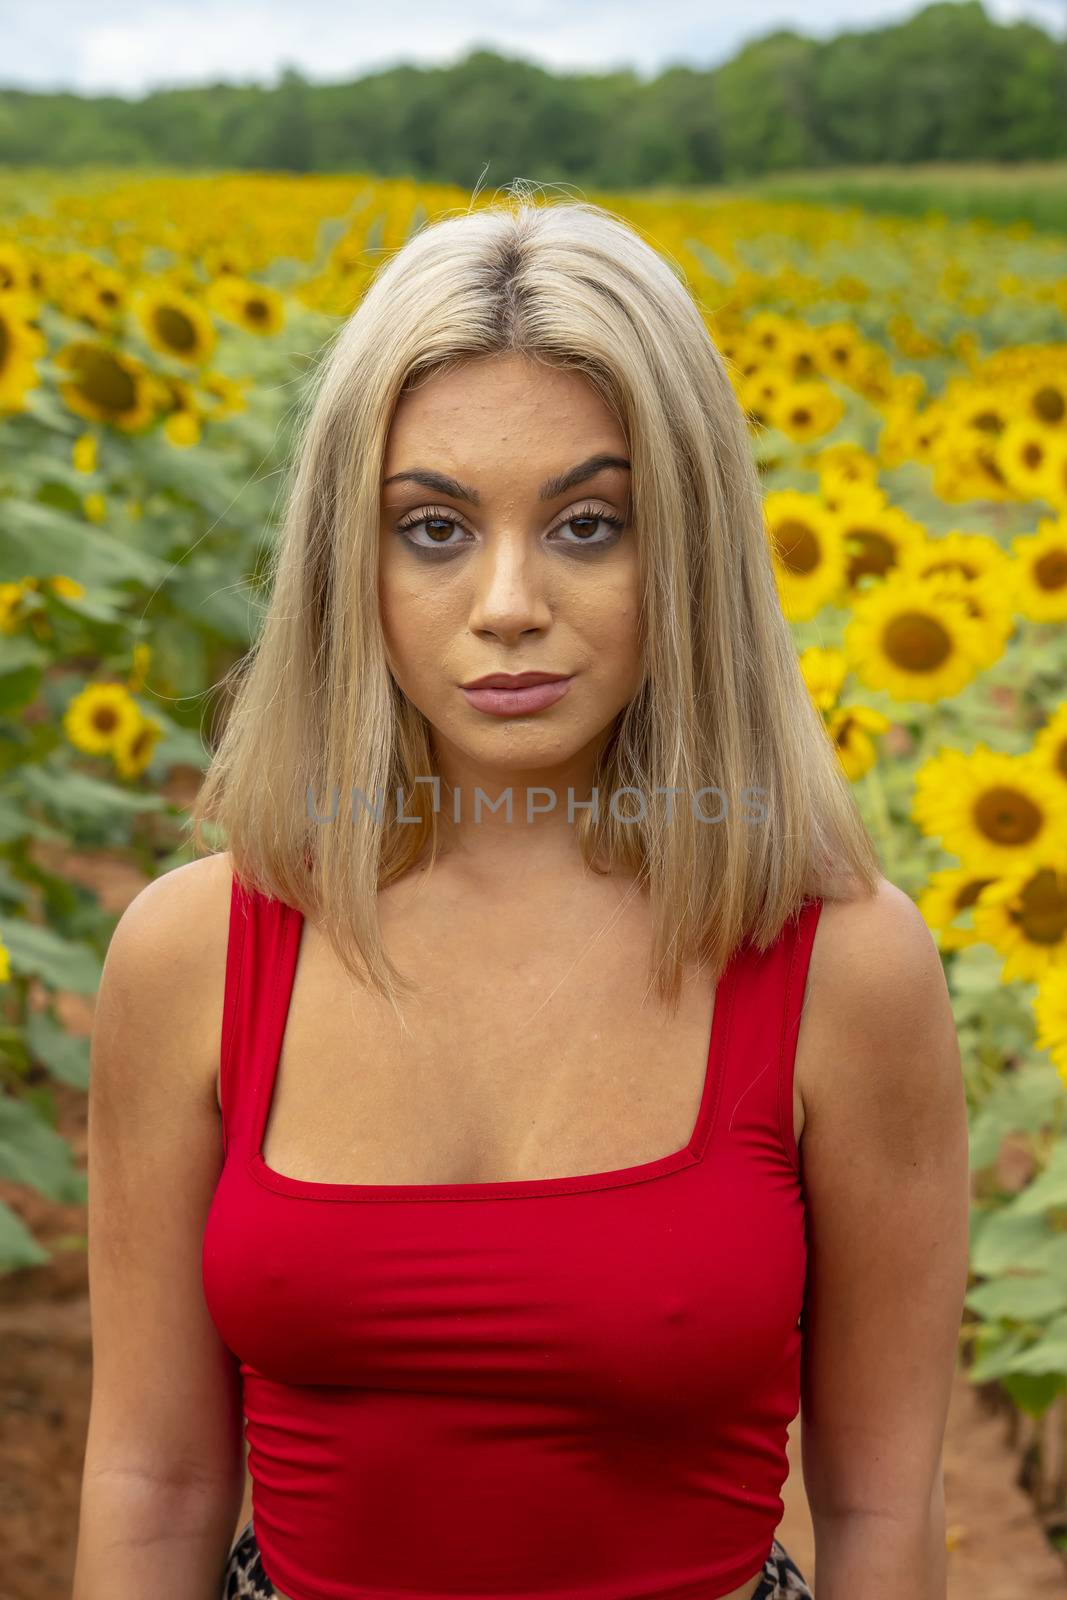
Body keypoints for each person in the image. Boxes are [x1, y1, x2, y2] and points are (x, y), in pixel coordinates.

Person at [73, 187, 970, 1600]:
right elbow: (154, 1476)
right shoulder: (193, 952)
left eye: (589, 524)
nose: (506, 602)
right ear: (345, 562)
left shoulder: (840, 963)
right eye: (432, 528)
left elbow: (878, 1510)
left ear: (690, 549)